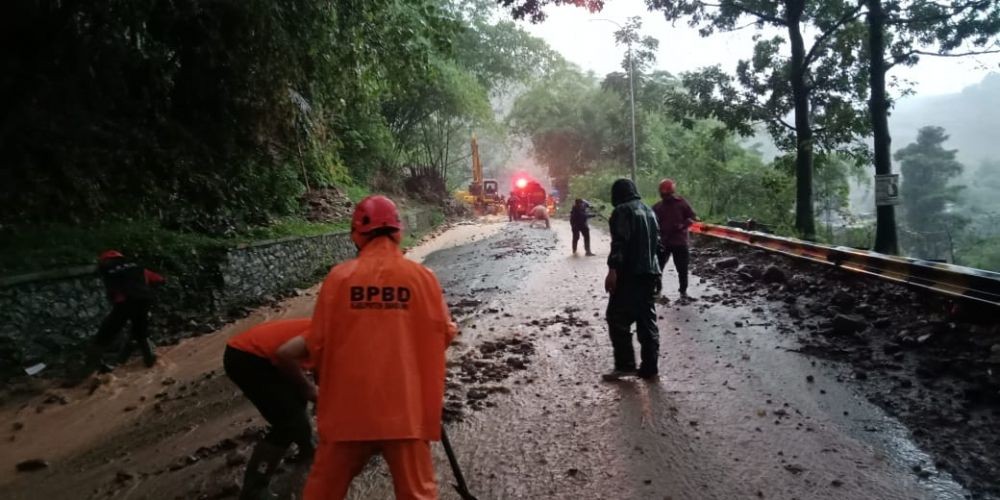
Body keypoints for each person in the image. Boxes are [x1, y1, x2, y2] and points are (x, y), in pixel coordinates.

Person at [277, 195, 457, 500]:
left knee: (322, 493)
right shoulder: (423, 278)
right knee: (418, 495)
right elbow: (446, 333)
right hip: (406, 411)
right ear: (398, 232)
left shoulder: (339, 278)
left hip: (348, 412)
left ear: (357, 235)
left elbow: (317, 342)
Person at [224, 319, 317, 500]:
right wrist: (308, 388)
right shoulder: (330, 333)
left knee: (296, 404)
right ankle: (254, 490)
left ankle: (308, 449)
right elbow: (284, 355)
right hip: (248, 357)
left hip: (262, 355)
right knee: (287, 423)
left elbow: (324, 372)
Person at [603, 179, 662, 381]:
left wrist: (612, 271)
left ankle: (626, 364)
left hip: (630, 275)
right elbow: (658, 247)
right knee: (647, 321)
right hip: (649, 274)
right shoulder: (649, 211)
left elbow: (619, 243)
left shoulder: (622, 211)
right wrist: (657, 272)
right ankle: (650, 368)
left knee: (616, 317)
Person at [83, 250, 164, 375]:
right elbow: (160, 280)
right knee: (141, 332)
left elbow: (113, 288)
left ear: (105, 260)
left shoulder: (105, 268)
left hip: (124, 302)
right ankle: (150, 361)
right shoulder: (138, 267)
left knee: (105, 333)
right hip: (144, 301)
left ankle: (88, 370)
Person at [652, 179, 697, 299]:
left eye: (667, 194)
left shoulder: (681, 203)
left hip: (678, 242)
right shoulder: (657, 207)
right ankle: (658, 291)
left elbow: (692, 217)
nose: (666, 196)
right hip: (665, 242)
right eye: (664, 194)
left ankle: (682, 292)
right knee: (659, 268)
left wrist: (683, 225)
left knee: (681, 268)